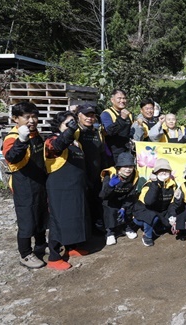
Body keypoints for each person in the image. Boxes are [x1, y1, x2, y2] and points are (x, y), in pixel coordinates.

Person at [2, 102, 48, 269]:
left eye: (34, 116)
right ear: (16, 119)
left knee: (41, 213)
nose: (32, 120)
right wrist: (21, 140)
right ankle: (25, 254)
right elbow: (12, 157)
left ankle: (41, 244)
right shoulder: (12, 137)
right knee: (27, 218)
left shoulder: (36, 134)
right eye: (27, 117)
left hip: (39, 182)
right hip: (23, 184)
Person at [44, 112, 89, 270]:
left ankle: (72, 247)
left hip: (76, 187)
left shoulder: (76, 144)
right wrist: (69, 131)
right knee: (58, 219)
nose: (72, 127)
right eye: (68, 124)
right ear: (59, 125)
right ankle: (54, 257)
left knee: (75, 217)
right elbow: (57, 146)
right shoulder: (51, 141)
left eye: (73, 123)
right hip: (60, 188)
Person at [75, 103, 108, 233]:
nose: (89, 118)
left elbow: (102, 153)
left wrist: (105, 171)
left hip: (96, 173)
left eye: (92, 115)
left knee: (96, 201)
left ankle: (97, 227)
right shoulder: (75, 132)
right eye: (86, 115)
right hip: (80, 173)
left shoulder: (97, 132)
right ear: (79, 116)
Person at [133, 158, 178, 246]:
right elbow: (149, 202)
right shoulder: (149, 184)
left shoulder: (173, 185)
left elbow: (172, 204)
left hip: (161, 211)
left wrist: (172, 216)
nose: (164, 173)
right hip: (145, 211)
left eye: (166, 170)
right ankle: (147, 235)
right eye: (161, 170)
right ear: (156, 173)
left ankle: (157, 227)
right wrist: (154, 184)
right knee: (152, 216)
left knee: (169, 223)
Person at [99, 152, 139, 246]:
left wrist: (124, 207)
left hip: (125, 198)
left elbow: (131, 193)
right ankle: (110, 232)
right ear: (119, 168)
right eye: (125, 166)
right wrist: (110, 186)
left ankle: (126, 227)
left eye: (131, 166)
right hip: (110, 199)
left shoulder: (134, 176)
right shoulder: (110, 175)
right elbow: (103, 195)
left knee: (131, 204)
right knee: (109, 207)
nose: (128, 169)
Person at [101, 89, 133, 163]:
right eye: (119, 98)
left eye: (124, 98)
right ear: (112, 100)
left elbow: (130, 131)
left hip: (127, 151)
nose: (122, 101)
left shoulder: (129, 114)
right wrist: (121, 119)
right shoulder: (106, 114)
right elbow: (110, 131)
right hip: (112, 153)